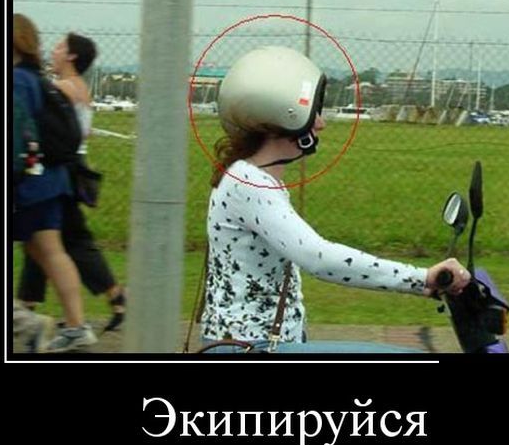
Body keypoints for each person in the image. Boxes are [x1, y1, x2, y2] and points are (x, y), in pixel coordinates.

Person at [198, 46, 471, 353]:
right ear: (281, 115)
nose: (321, 124)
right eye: (313, 113)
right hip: (249, 346)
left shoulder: (251, 177)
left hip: (259, 344)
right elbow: (319, 258)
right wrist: (421, 279)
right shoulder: (249, 184)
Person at [17, 32, 126, 333]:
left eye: (59, 47)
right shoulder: (80, 88)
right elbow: (84, 132)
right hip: (72, 167)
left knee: (64, 240)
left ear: (72, 56)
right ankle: (27, 305)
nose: (53, 51)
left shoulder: (62, 88)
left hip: (60, 169)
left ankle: (114, 296)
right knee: (46, 239)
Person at [12, 14, 97, 352]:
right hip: (51, 179)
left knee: (49, 252)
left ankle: (26, 324)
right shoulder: (38, 79)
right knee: (51, 252)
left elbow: (15, 136)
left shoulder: (18, 81)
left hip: (28, 183)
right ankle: (76, 327)